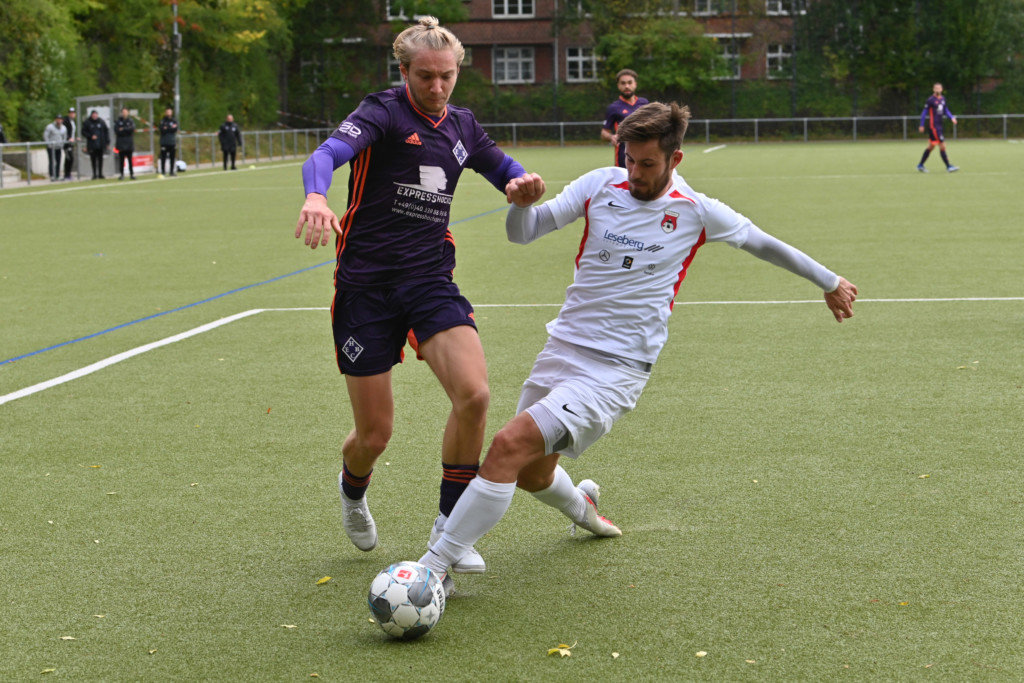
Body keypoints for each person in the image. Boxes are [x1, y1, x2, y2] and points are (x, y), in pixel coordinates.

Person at [419, 102, 858, 594]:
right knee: (530, 474)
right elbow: (524, 234)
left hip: (617, 371)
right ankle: (585, 509)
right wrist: (521, 204)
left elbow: (765, 243)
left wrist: (828, 281)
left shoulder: (697, 211)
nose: (635, 172)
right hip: (563, 348)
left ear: (675, 159)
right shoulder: (600, 184)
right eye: (629, 159)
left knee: (506, 446)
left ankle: (432, 567)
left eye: (647, 164)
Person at [294, 15, 534, 574]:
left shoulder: (463, 126)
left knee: (474, 396)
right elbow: (324, 156)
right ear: (404, 71)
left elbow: (506, 170)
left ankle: (450, 527)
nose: (438, 86)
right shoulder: (380, 112)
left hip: (429, 281)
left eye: (447, 76)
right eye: (426, 76)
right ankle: (353, 489)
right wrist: (315, 195)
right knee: (375, 435)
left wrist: (523, 184)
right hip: (366, 288)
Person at [600, 68, 649, 168]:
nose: (627, 86)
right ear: (618, 86)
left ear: (635, 84)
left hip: (645, 154)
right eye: (623, 83)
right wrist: (611, 137)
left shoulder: (644, 103)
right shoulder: (613, 108)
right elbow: (604, 133)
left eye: (630, 82)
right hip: (624, 158)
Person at [917, 82, 959, 173]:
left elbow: (945, 110)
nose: (938, 90)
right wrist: (921, 124)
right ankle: (948, 166)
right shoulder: (930, 100)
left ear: (942, 89)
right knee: (942, 145)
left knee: (931, 147)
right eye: (936, 88)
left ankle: (920, 165)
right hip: (934, 127)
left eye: (939, 88)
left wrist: (951, 117)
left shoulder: (943, 99)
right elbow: (924, 112)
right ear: (933, 89)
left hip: (940, 126)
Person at [82, 110, 110, 179]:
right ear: (91, 115)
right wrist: (90, 136)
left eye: (96, 114)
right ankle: (94, 174)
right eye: (93, 114)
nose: (94, 116)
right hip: (92, 145)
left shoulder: (101, 122)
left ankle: (100, 174)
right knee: (93, 160)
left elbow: (106, 132)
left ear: (97, 115)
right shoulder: (87, 122)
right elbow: (83, 132)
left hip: (100, 144)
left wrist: (107, 142)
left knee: (100, 159)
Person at [114, 108, 136, 180]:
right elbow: (117, 131)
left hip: (129, 144)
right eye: (123, 112)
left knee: (130, 160)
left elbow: (132, 129)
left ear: (128, 113)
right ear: (121, 113)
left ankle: (131, 174)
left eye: (126, 112)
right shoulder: (118, 121)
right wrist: (126, 129)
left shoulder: (130, 121)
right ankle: (122, 174)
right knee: (121, 160)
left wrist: (123, 129)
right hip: (121, 144)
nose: (124, 113)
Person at [43, 115, 67, 181]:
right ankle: (52, 176)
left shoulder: (63, 128)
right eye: (58, 119)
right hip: (51, 147)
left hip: (59, 147)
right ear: (55, 119)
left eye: (60, 119)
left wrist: (62, 144)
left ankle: (57, 175)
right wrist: (49, 144)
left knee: (58, 161)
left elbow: (64, 137)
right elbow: (45, 136)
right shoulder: (50, 127)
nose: (59, 120)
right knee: (52, 161)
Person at [159, 108, 179, 176]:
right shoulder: (163, 121)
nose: (169, 113)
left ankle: (171, 171)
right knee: (163, 157)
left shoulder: (174, 120)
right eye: (167, 112)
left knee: (172, 157)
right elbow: (162, 130)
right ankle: (163, 171)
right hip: (164, 142)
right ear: (165, 113)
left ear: (172, 112)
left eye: (170, 112)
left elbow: (175, 129)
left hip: (172, 142)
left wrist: (167, 128)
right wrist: (170, 128)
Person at [63, 107, 77, 180]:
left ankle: (69, 173)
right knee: (69, 158)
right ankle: (66, 174)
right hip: (67, 143)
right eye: (71, 113)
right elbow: (64, 131)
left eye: (73, 113)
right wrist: (69, 138)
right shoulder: (65, 121)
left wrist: (75, 138)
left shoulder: (73, 121)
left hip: (71, 143)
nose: (72, 114)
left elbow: (73, 132)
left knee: (71, 158)